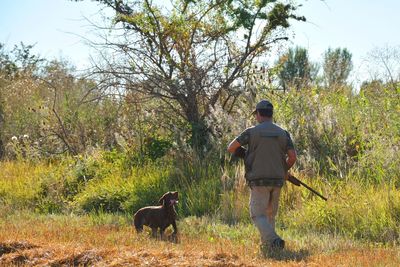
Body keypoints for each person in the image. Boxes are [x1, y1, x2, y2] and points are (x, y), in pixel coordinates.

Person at [227, 99, 297, 254]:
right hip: (278, 180)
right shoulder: (283, 133)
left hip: (258, 180)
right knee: (270, 214)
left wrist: (246, 154)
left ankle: (274, 241)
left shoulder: (251, 132)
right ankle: (269, 247)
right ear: (271, 114)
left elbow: (231, 148)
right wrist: (283, 170)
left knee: (258, 215)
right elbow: (292, 157)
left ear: (258, 114)